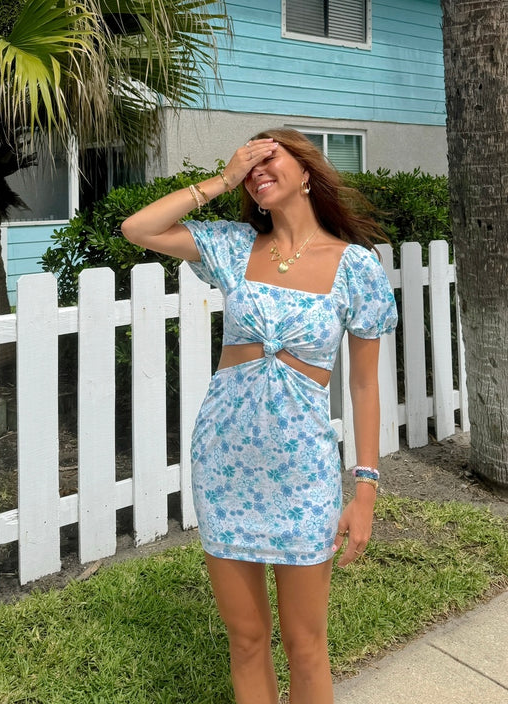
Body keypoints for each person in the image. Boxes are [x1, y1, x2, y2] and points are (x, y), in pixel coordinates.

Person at [121, 128, 397, 704]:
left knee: (305, 645)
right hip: (224, 466)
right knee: (246, 639)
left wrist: (365, 488)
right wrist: (220, 181)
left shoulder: (357, 267)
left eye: (269, 156)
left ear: (306, 172)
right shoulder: (234, 246)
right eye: (249, 162)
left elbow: (366, 385)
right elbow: (138, 229)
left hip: (303, 475)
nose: (256, 168)